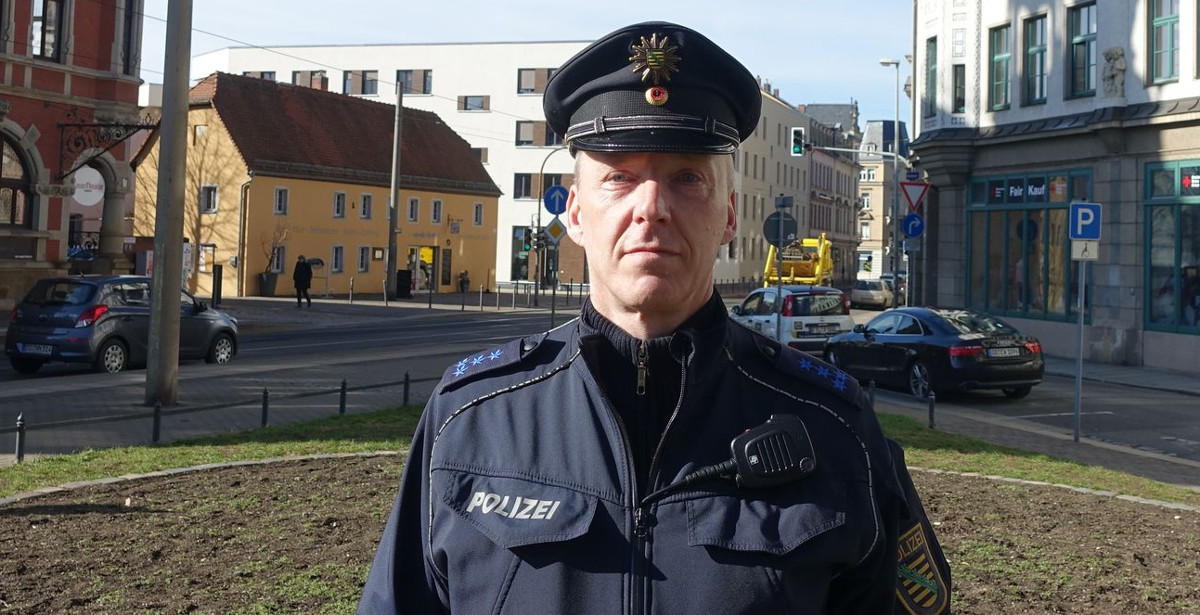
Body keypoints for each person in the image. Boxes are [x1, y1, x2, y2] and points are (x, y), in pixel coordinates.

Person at [359, 21, 949, 615]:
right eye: (618, 177)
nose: (652, 208)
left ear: (729, 215)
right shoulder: (470, 419)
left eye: (687, 178)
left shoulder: (835, 429)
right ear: (575, 213)